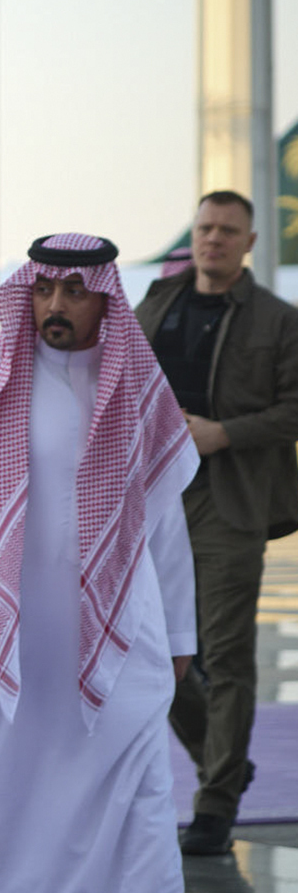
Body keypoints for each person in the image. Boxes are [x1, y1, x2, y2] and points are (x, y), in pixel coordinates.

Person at [0, 233, 257, 893]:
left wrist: (179, 637)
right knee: (6, 805)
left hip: (120, 643)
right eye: (43, 293)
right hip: (9, 646)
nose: (56, 309)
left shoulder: (137, 393)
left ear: (106, 299)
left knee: (140, 802)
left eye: (74, 294)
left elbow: (164, 523)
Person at [135, 190, 298, 855]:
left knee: (225, 654)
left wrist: (222, 433)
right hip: (151, 501)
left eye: (229, 231)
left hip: (228, 500)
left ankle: (217, 802)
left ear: (249, 243)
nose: (214, 240)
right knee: (152, 647)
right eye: (205, 228)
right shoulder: (156, 305)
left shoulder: (277, 320)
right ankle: (220, 758)